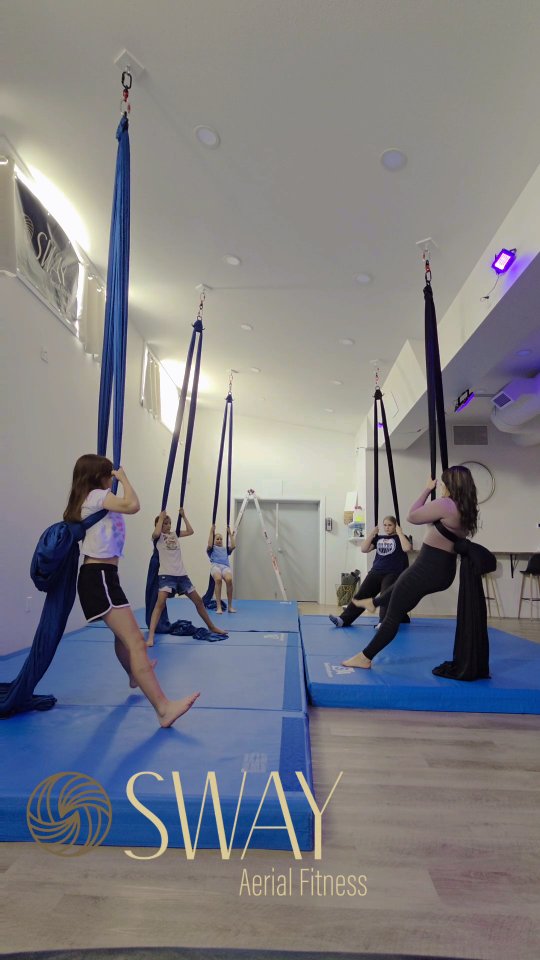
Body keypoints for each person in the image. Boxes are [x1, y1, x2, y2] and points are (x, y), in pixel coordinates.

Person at [65, 454, 200, 728]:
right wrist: (124, 478)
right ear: (99, 477)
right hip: (99, 577)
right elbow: (133, 505)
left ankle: (133, 676)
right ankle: (163, 709)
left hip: (103, 577)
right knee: (137, 642)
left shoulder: (92, 498)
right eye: (108, 474)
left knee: (123, 637)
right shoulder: (97, 496)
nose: (111, 478)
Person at [342, 465, 478, 669]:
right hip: (444, 571)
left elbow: (412, 516)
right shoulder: (467, 509)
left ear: (451, 485)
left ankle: (365, 657)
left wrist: (427, 489)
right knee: (398, 588)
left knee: (393, 614)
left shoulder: (446, 504)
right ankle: (373, 602)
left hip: (427, 569)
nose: (442, 487)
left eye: (444, 483)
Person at [147, 509, 227, 646]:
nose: (168, 525)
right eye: (165, 523)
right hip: (166, 576)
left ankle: (212, 627)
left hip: (182, 575)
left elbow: (190, 531)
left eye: (169, 523)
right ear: (159, 525)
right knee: (160, 604)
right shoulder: (158, 538)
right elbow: (155, 532)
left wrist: (183, 516)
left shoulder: (175, 534)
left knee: (199, 601)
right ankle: (151, 636)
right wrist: (160, 518)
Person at [329, 516, 412, 628]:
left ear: (395, 526)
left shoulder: (400, 537)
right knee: (362, 594)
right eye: (385, 525)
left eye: (390, 525)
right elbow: (364, 549)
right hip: (376, 571)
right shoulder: (378, 538)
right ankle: (343, 620)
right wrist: (372, 533)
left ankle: (383, 623)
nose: (387, 527)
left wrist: (400, 532)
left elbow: (407, 548)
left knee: (385, 597)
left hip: (392, 573)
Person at [207, 524, 236, 613]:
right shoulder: (212, 549)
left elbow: (233, 546)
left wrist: (229, 533)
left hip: (225, 567)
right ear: (214, 540)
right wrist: (211, 531)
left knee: (229, 580)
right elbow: (209, 544)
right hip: (215, 566)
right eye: (217, 539)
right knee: (218, 580)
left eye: (221, 539)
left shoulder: (225, 549)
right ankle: (218, 607)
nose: (219, 540)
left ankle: (230, 607)